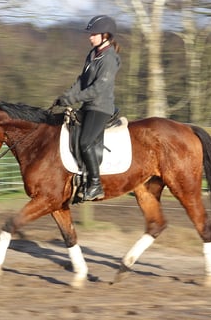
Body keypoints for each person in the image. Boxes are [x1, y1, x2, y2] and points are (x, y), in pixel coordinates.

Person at [53, 15, 121, 201]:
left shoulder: (109, 59)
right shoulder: (92, 55)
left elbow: (98, 89)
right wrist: (66, 96)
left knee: (85, 142)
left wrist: (74, 98)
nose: (90, 37)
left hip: (100, 107)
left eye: (94, 34)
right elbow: (82, 81)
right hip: (87, 105)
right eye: (90, 34)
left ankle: (95, 184)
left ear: (105, 35)